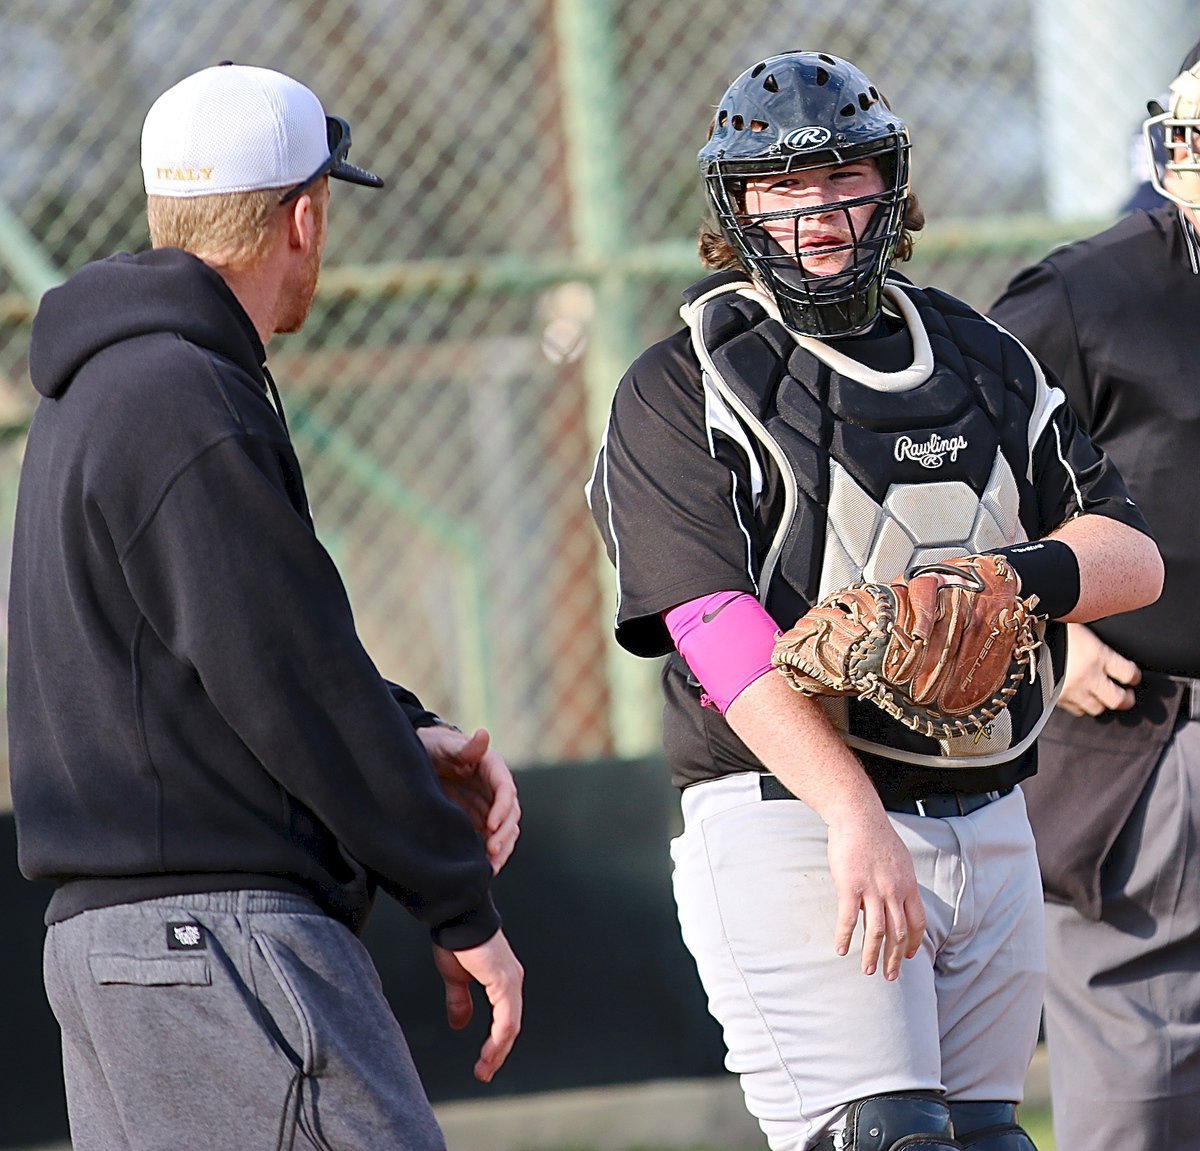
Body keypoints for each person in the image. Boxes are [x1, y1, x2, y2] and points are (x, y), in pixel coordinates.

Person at [587, 51, 1163, 1151]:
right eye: (780, 184)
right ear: (736, 205)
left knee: (990, 1137)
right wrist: (853, 815)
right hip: (791, 814)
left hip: (988, 808)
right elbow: (716, 631)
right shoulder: (685, 378)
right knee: (883, 1135)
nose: (815, 208)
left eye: (842, 175)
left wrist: (1006, 578)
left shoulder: (978, 353)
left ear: (889, 186)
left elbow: (1129, 554)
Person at [7, 63, 523, 1151]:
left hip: (115, 948)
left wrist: (404, 732)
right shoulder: (181, 392)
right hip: (215, 947)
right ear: (302, 215)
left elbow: (224, 652)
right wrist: (453, 891)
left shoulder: (97, 387)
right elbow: (288, 674)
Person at [988, 44, 1200, 1151]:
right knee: (1140, 1100)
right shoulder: (1087, 293)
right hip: (1146, 741)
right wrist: (1043, 635)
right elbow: (948, 485)